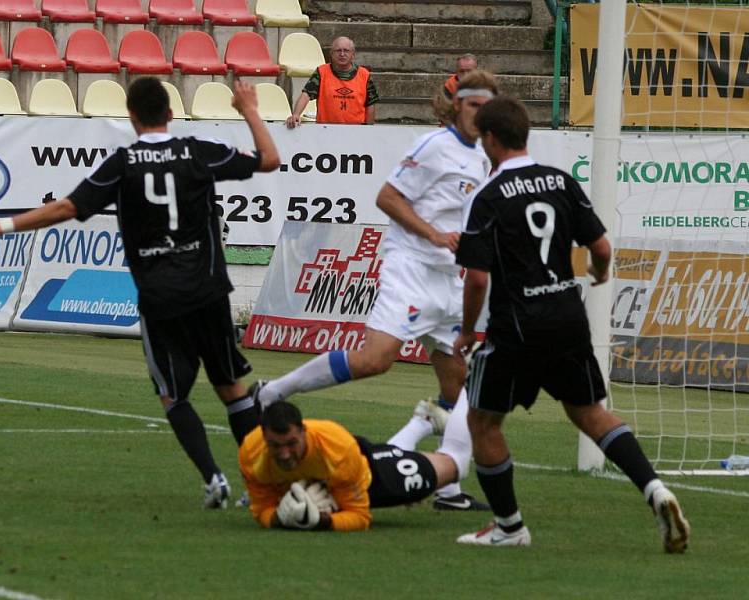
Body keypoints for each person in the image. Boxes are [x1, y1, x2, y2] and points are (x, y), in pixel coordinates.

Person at [0, 76, 281, 510]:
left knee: (173, 395)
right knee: (232, 389)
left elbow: (68, 207)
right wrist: (248, 109)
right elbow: (269, 159)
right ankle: (260, 485)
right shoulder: (197, 151)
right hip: (207, 289)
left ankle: (214, 478)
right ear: (170, 113)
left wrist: (0, 226)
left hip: (160, 295)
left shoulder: (123, 163)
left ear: (132, 117)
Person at [452, 95, 690, 552]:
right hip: (566, 316)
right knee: (590, 413)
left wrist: (466, 331)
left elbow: (477, 278)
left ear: (492, 140)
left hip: (516, 326)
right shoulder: (560, 181)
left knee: (482, 421)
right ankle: (655, 490)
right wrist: (600, 276)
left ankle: (509, 526)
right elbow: (600, 248)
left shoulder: (487, 196)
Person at [254, 70, 500, 511]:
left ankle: (446, 490)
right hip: (412, 268)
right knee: (375, 361)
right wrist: (432, 235)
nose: (480, 113)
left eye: (487, 106)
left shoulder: (481, 155)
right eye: (473, 104)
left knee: (458, 386)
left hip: (448, 278)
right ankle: (274, 391)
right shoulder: (434, 147)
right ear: (456, 106)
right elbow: (387, 198)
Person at [239, 400, 473, 531]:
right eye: (275, 446)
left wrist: (323, 521)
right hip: (333, 472)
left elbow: (360, 516)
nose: (285, 454)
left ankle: (468, 387)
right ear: (263, 437)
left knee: (456, 465)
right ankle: (422, 422)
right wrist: (279, 519)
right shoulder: (251, 453)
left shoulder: (338, 451)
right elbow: (261, 510)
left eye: (291, 444)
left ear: (303, 431)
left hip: (367, 473)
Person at [285, 36, 379, 128]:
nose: (342, 54)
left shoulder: (364, 75)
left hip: (356, 130)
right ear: (331, 54)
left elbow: (370, 104)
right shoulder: (321, 72)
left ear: (353, 54)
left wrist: (368, 129)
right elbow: (306, 95)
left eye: (346, 50)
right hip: (325, 130)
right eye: (338, 50)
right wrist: (296, 114)